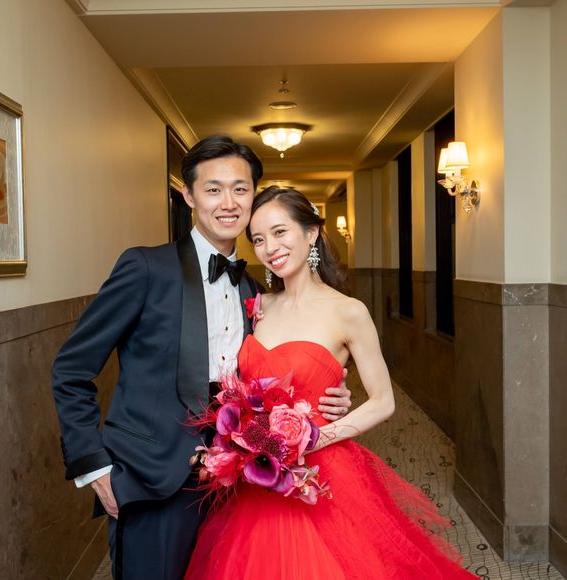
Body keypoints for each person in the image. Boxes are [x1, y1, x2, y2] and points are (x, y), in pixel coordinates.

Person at [51, 136, 351, 580]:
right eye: (213, 189)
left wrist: (331, 395)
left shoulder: (256, 292)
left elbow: (276, 374)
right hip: (152, 480)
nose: (228, 203)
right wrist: (93, 465)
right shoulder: (145, 268)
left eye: (240, 189)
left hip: (238, 486)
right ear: (188, 195)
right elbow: (71, 369)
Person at [185, 186, 476, 579]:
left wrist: (310, 439)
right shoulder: (258, 306)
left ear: (311, 233)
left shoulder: (348, 311)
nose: (269, 248)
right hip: (260, 473)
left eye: (280, 232)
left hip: (321, 468)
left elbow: (384, 401)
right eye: (258, 239)